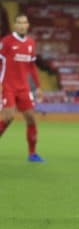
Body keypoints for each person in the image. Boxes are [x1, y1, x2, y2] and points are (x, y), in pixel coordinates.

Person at [0, 13, 45, 162]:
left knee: (31, 119)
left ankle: (32, 154)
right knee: (8, 117)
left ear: (28, 25)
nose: (22, 25)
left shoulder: (31, 43)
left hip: (24, 88)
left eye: (24, 22)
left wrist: (38, 86)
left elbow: (32, 67)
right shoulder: (6, 41)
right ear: (15, 25)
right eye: (19, 22)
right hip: (8, 86)